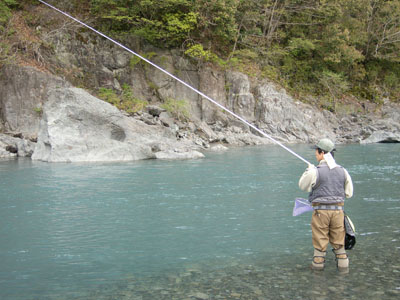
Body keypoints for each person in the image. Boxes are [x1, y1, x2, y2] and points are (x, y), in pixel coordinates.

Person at [298, 138, 353, 271]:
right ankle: (343, 276)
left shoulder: (314, 171)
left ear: (322, 153)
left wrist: (309, 170)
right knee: (339, 246)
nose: (315, 154)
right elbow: (349, 193)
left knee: (320, 245)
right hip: (338, 212)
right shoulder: (343, 171)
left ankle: (318, 280)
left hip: (320, 213)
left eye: (316, 151)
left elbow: (302, 186)